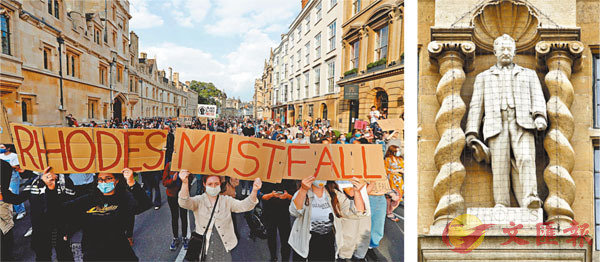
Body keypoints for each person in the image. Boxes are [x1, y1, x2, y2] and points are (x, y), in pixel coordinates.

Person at [465, 34, 546, 208]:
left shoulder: (529, 74)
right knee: (500, 166)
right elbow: (476, 107)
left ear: (515, 51)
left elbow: (537, 96)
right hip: (496, 124)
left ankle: (531, 197)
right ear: (495, 51)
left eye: (509, 49)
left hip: (523, 122)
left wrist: (540, 116)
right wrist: (471, 133)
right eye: (502, 49)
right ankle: (501, 203)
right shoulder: (483, 77)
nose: (506, 52)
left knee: (526, 158)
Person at [64, 168, 152, 261]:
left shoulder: (124, 198)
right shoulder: (88, 199)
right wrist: (51, 190)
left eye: (108, 178)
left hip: (119, 252)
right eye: (100, 179)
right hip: (94, 254)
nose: (104, 182)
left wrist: (131, 182)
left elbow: (144, 205)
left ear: (116, 180)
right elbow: (63, 210)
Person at [178, 170, 262, 261]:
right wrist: (185, 183)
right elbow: (184, 203)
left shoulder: (226, 201)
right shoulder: (198, 201)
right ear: (204, 184)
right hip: (204, 249)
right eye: (210, 184)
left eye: (216, 184)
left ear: (220, 185)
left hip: (223, 249)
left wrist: (254, 191)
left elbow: (244, 206)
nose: (213, 187)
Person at [2, 166, 75, 261]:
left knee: (64, 256)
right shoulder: (34, 182)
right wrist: (3, 188)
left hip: (60, 228)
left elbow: (71, 208)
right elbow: (17, 199)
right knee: (42, 257)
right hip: (40, 228)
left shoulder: (66, 182)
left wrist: (69, 229)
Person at [289, 176, 366, 261]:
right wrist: (303, 189)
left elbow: (357, 212)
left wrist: (357, 192)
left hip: (328, 242)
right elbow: (294, 211)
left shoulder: (335, 195)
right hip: (306, 243)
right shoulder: (303, 193)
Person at [261, 180, 296, 261]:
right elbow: (261, 195)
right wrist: (270, 195)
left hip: (284, 213)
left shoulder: (288, 178)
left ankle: (285, 259)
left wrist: (287, 196)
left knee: (285, 239)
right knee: (271, 237)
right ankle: (273, 257)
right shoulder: (267, 177)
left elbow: (295, 197)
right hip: (269, 212)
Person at [163, 162, 189, 251]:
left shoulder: (186, 164)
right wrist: (173, 180)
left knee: (184, 216)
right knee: (174, 217)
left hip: (183, 195)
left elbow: (191, 179)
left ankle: (185, 237)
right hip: (172, 196)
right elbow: (164, 182)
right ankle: (175, 238)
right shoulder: (169, 165)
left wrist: (186, 180)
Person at [0, 144, 26, 220]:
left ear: (8, 148)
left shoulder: (14, 156)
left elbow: (18, 167)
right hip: (4, 179)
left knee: (14, 194)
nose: (0, 149)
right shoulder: (1, 156)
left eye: (2, 147)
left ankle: (21, 211)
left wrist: (8, 167)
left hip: (13, 178)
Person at [384, 145, 403, 222]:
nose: (398, 152)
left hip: (399, 180)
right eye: (396, 151)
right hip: (391, 179)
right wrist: (396, 171)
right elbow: (385, 169)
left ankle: (390, 210)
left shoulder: (401, 159)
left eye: (398, 150)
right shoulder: (388, 159)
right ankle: (389, 212)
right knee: (389, 196)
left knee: (398, 197)